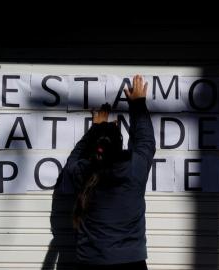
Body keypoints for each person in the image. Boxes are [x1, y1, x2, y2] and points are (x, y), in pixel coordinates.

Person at [63, 75, 155, 270]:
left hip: (90, 262)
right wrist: (137, 104)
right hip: (131, 263)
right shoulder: (134, 168)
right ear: (120, 143)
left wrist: (95, 129)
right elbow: (145, 142)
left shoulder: (84, 172)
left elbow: (72, 160)